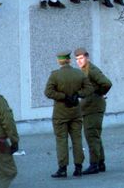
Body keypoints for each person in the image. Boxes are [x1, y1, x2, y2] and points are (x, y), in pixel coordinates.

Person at [44, 50, 93, 178]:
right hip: (76, 111)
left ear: (59, 61)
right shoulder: (78, 74)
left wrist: (63, 96)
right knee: (77, 140)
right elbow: (89, 89)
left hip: (60, 113)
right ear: (69, 60)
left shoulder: (55, 75)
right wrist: (77, 95)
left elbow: (48, 92)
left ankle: (62, 168)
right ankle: (78, 167)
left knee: (61, 140)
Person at [74, 47, 112, 175]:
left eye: (81, 58)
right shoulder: (84, 70)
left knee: (91, 135)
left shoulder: (92, 70)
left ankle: (94, 164)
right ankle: (100, 163)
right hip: (89, 106)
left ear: (87, 57)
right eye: (77, 59)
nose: (79, 61)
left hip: (94, 106)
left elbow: (107, 83)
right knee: (95, 135)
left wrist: (98, 93)